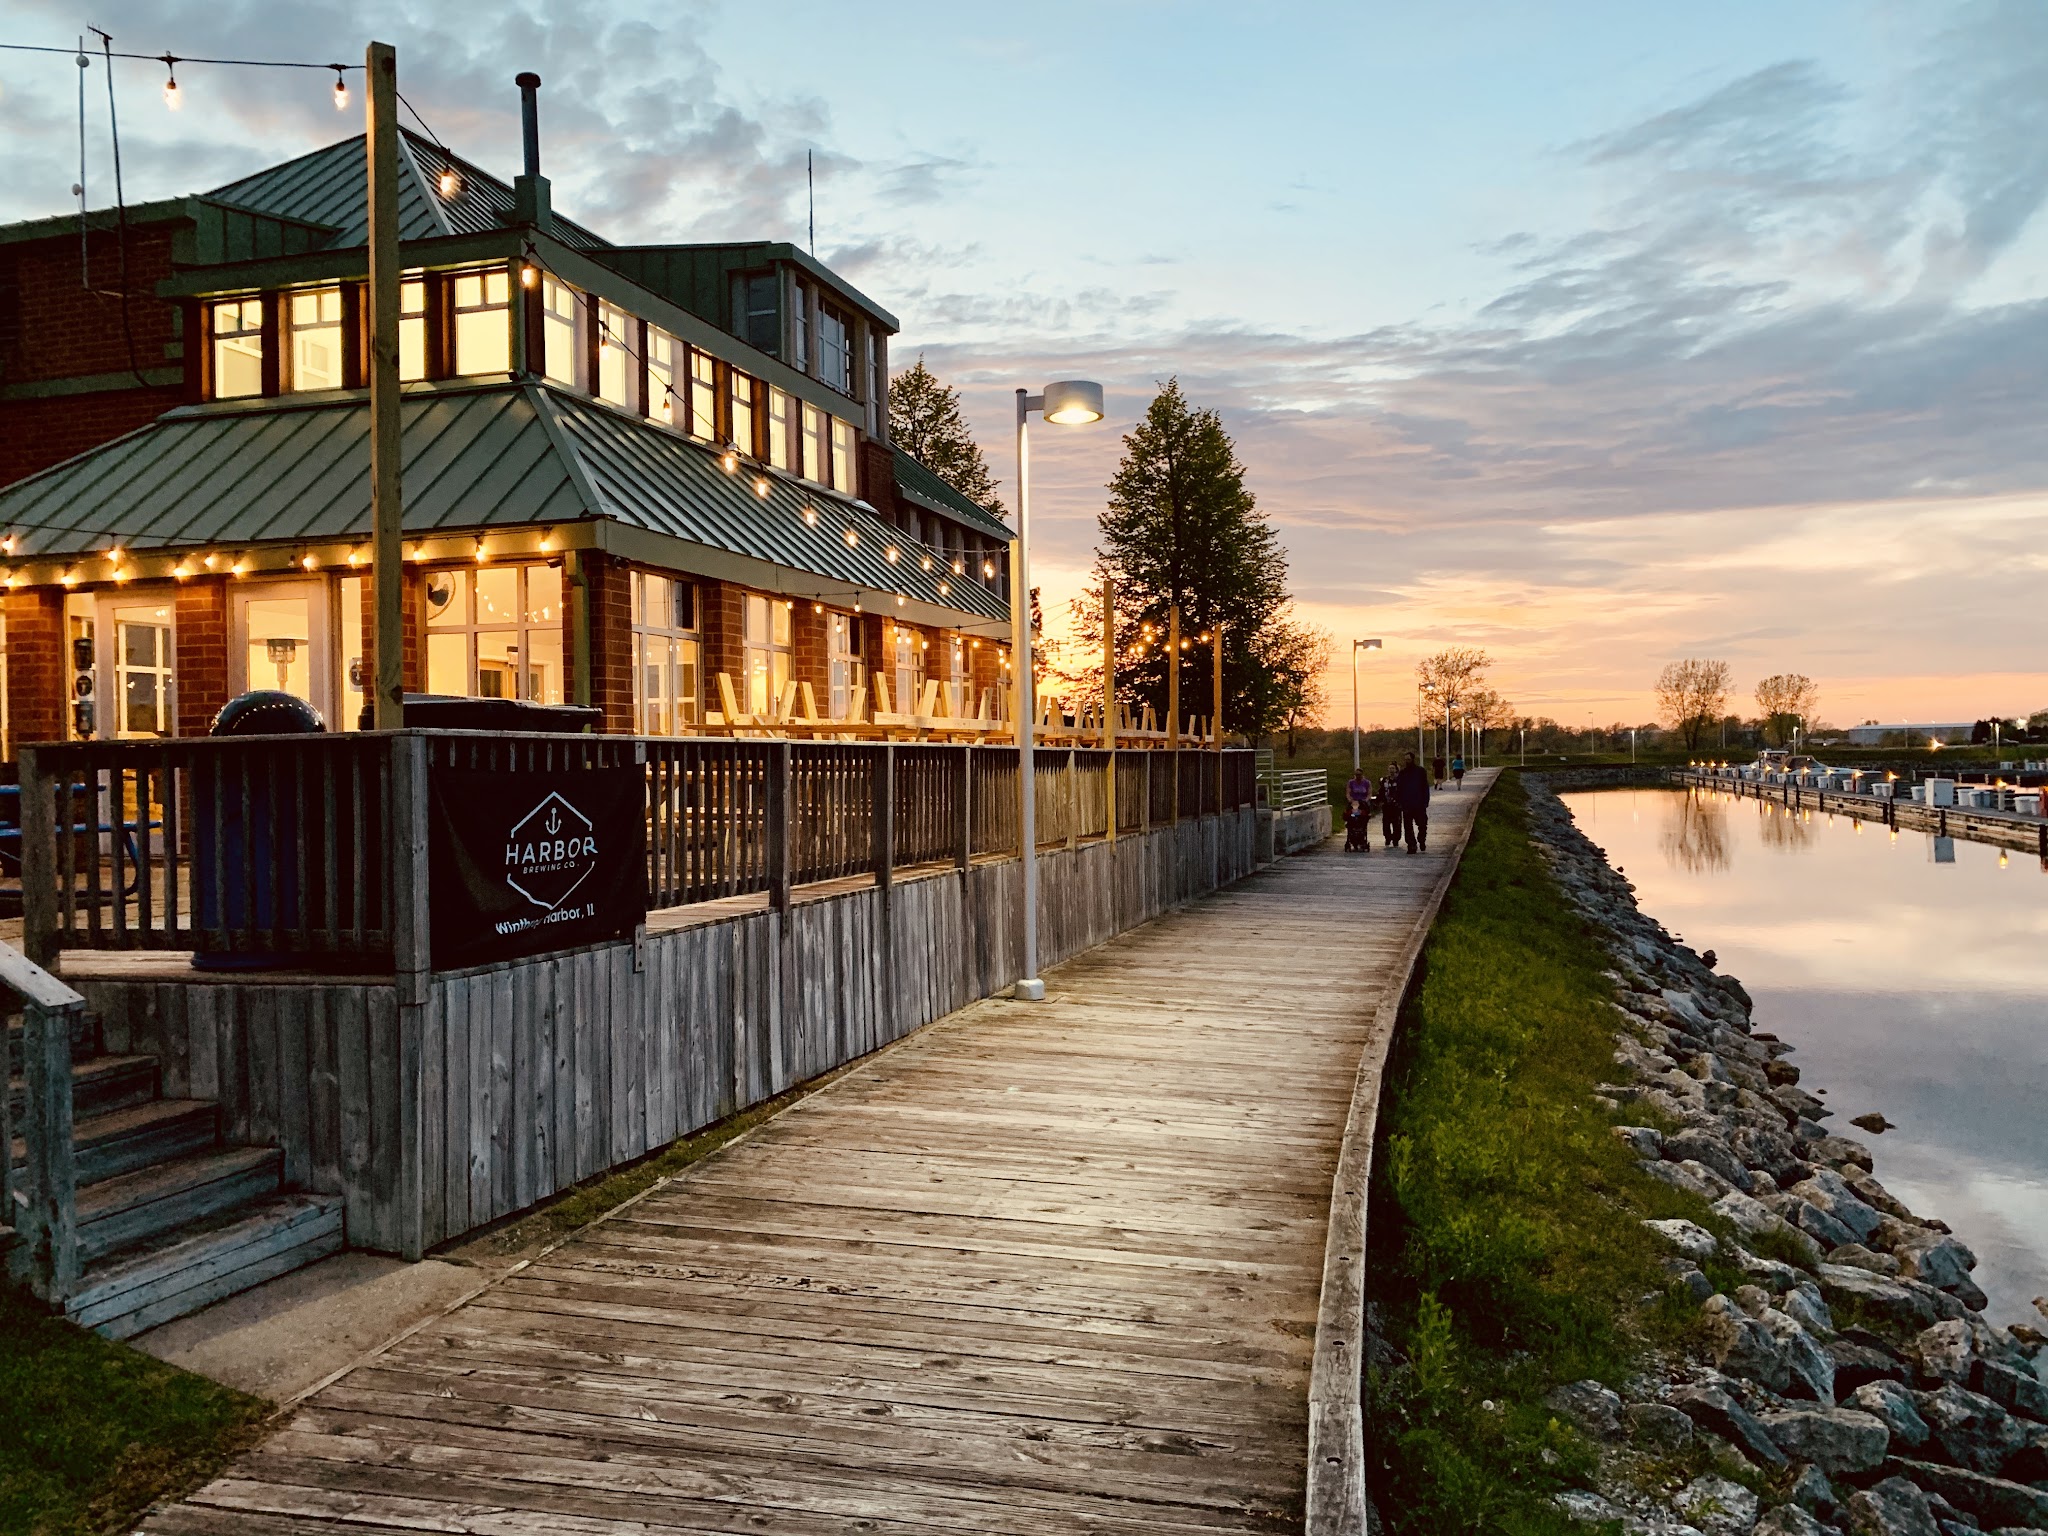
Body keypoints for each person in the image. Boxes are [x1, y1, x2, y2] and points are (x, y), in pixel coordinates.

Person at [1395, 751, 1432, 853]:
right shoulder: (1403, 773)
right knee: (1408, 826)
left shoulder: (1420, 771)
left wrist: (1426, 800)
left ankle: (1421, 839)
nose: (1407, 761)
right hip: (1406, 803)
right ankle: (1411, 845)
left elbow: (1425, 786)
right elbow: (1399, 788)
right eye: (1406, 760)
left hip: (1419, 803)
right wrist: (1399, 801)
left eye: (1409, 759)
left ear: (1412, 759)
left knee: (1422, 824)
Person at [1379, 764, 1401, 847]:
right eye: (1390, 768)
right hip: (1386, 804)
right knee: (1386, 823)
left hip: (1396, 805)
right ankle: (1387, 837)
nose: (1391, 770)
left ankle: (1396, 839)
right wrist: (1380, 800)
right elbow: (1381, 791)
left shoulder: (1399, 780)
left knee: (1396, 823)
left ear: (1396, 770)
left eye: (1393, 768)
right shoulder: (1385, 780)